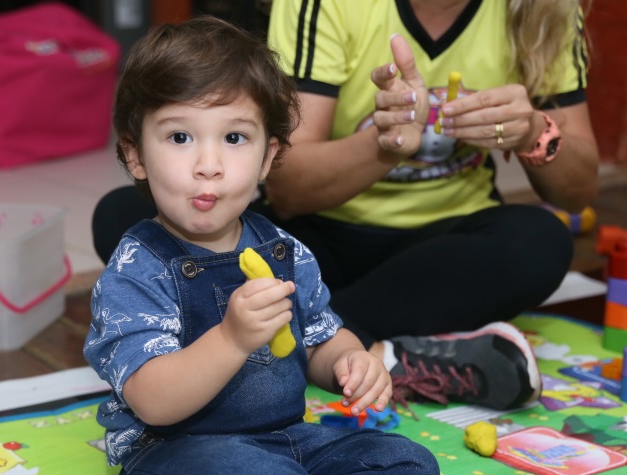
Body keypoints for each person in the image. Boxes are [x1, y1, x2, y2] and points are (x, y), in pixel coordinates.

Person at [84, 16, 494, 475]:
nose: (209, 164)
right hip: (174, 458)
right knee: (236, 473)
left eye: (236, 137)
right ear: (135, 153)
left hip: (284, 443)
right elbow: (154, 402)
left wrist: (350, 362)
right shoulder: (138, 268)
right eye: (180, 136)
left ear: (271, 154)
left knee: (408, 469)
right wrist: (230, 337)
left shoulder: (285, 251)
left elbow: (323, 338)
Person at [93, 0, 600, 413]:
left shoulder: (545, 10)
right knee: (133, 220)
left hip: (436, 255)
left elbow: (576, 194)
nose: (206, 162)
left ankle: (318, 342)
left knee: (540, 239)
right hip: (313, 239)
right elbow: (286, 186)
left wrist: (537, 131)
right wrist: (382, 145)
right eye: (181, 137)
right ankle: (373, 352)